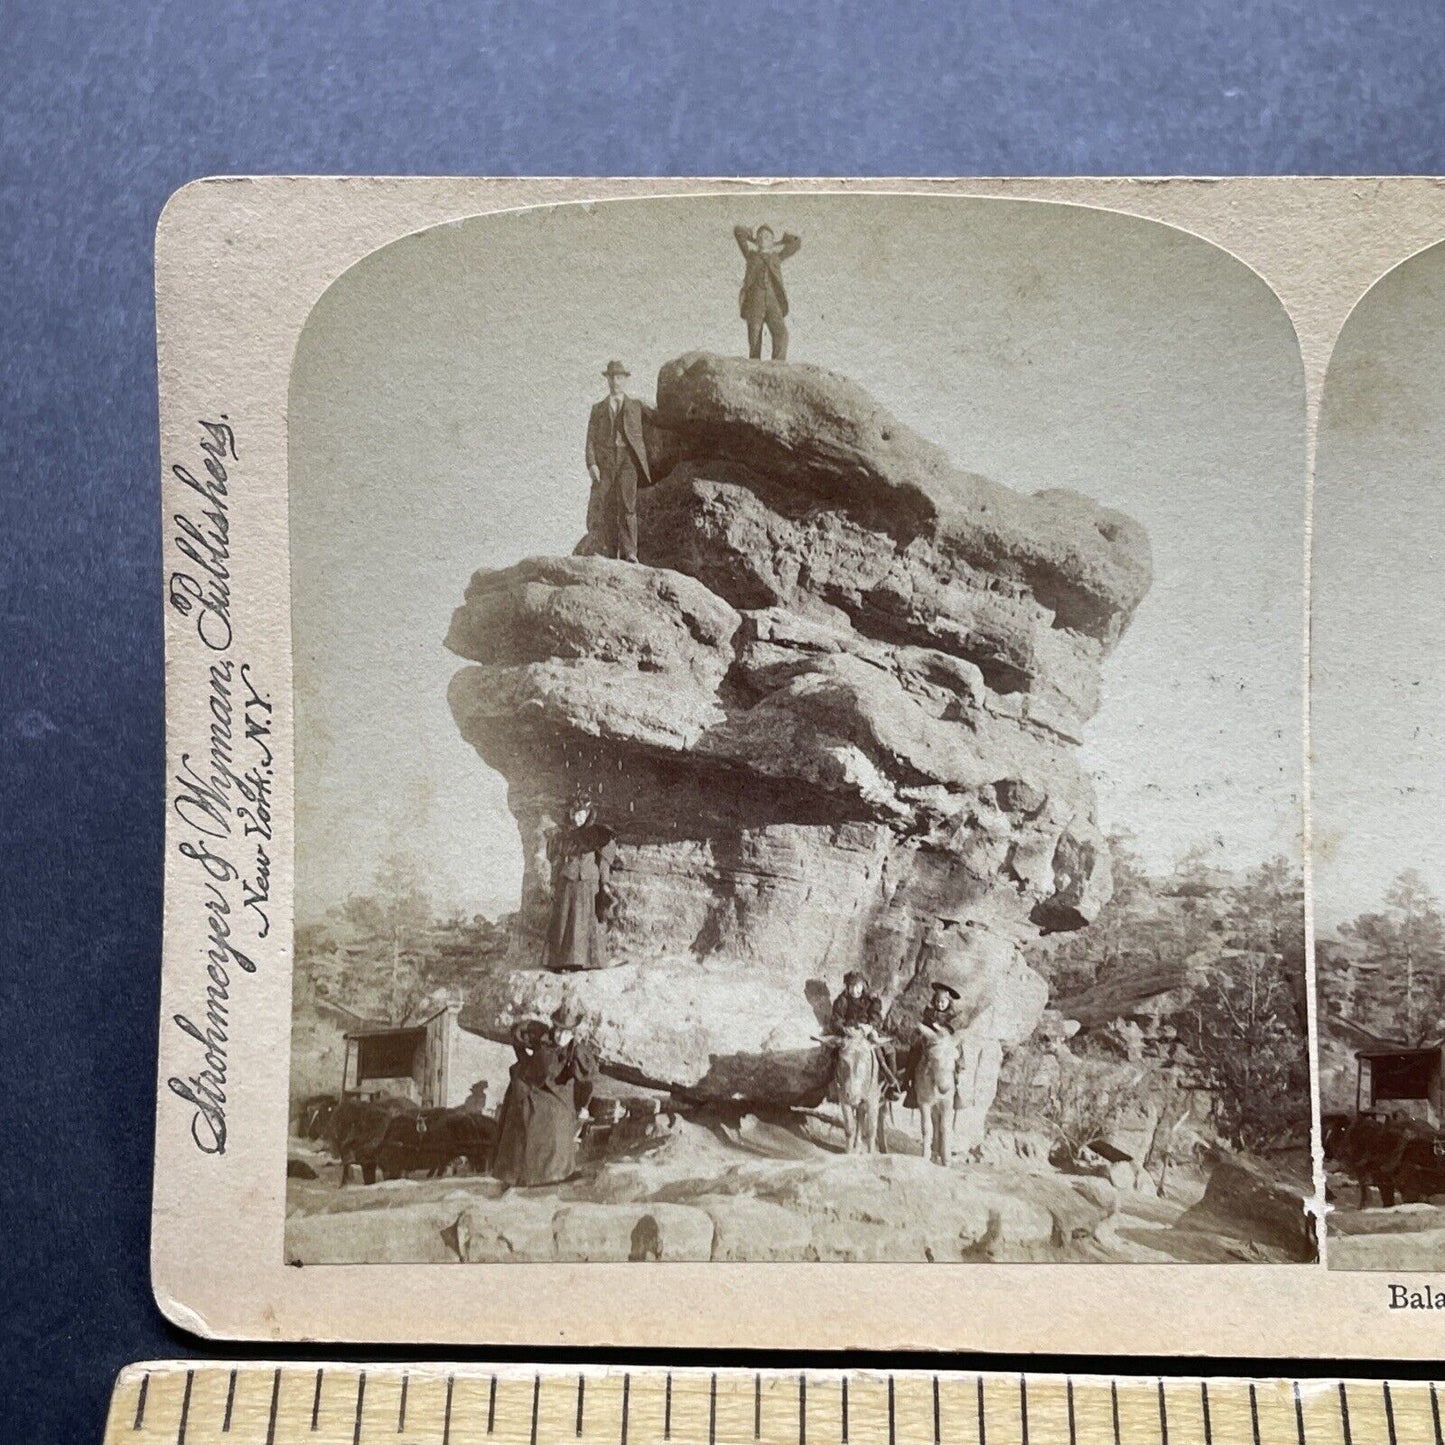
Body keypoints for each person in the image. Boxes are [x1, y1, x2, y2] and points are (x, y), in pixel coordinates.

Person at [491, 1003, 599, 1187]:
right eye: (557, 1029)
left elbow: (587, 1082)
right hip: (532, 1089)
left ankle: (552, 1176)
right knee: (520, 1114)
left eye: (566, 1032)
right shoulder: (542, 1039)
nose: (560, 1035)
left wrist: (583, 1107)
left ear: (573, 1033)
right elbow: (517, 1035)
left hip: (559, 1098)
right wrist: (524, 1060)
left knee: (555, 1123)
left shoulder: (576, 1052)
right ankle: (518, 1175)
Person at [584, 361, 653, 562]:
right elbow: (590, 439)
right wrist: (592, 464)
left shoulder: (636, 406)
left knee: (628, 505)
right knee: (607, 506)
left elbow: (656, 420)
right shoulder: (598, 409)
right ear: (607, 380)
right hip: (605, 461)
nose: (615, 381)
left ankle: (630, 552)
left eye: (619, 377)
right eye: (612, 377)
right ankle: (610, 551)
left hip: (628, 460)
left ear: (625, 380)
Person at [542, 802, 618, 972]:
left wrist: (605, 884)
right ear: (571, 815)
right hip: (567, 883)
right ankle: (561, 962)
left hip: (588, 884)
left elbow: (603, 863)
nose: (579, 819)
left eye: (582, 815)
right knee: (564, 922)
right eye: (576, 814)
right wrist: (554, 883)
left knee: (585, 923)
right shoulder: (563, 836)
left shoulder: (599, 834)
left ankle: (585, 961)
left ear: (589, 814)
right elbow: (557, 862)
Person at [826, 971, 899, 1098]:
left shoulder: (870, 1000)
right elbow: (836, 1019)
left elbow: (876, 1017)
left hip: (867, 1031)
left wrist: (870, 1026)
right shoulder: (842, 1000)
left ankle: (891, 1082)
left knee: (888, 1049)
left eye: (858, 986)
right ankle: (834, 1084)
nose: (855, 990)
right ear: (847, 987)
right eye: (852, 986)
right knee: (835, 1052)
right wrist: (845, 1029)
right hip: (849, 1033)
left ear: (863, 986)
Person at [733, 224, 801, 361]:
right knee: (754, 335)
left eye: (768, 236)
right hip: (755, 300)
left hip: (773, 300)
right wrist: (751, 238)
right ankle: (754, 364)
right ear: (757, 240)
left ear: (772, 241)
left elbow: (796, 242)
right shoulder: (751, 255)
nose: (764, 238)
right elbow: (738, 232)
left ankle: (778, 364)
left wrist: (780, 241)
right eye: (761, 236)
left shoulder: (776, 257)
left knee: (781, 332)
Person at [903, 980, 963, 1108]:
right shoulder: (929, 1012)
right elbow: (923, 1025)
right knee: (915, 1052)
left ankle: (957, 1088)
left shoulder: (952, 1015)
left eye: (943, 1002)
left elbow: (953, 1029)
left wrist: (941, 1029)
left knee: (956, 1055)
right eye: (937, 1002)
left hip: (946, 1043)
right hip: (929, 1042)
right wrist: (922, 1031)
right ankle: (910, 1084)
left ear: (948, 1002)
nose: (940, 1005)